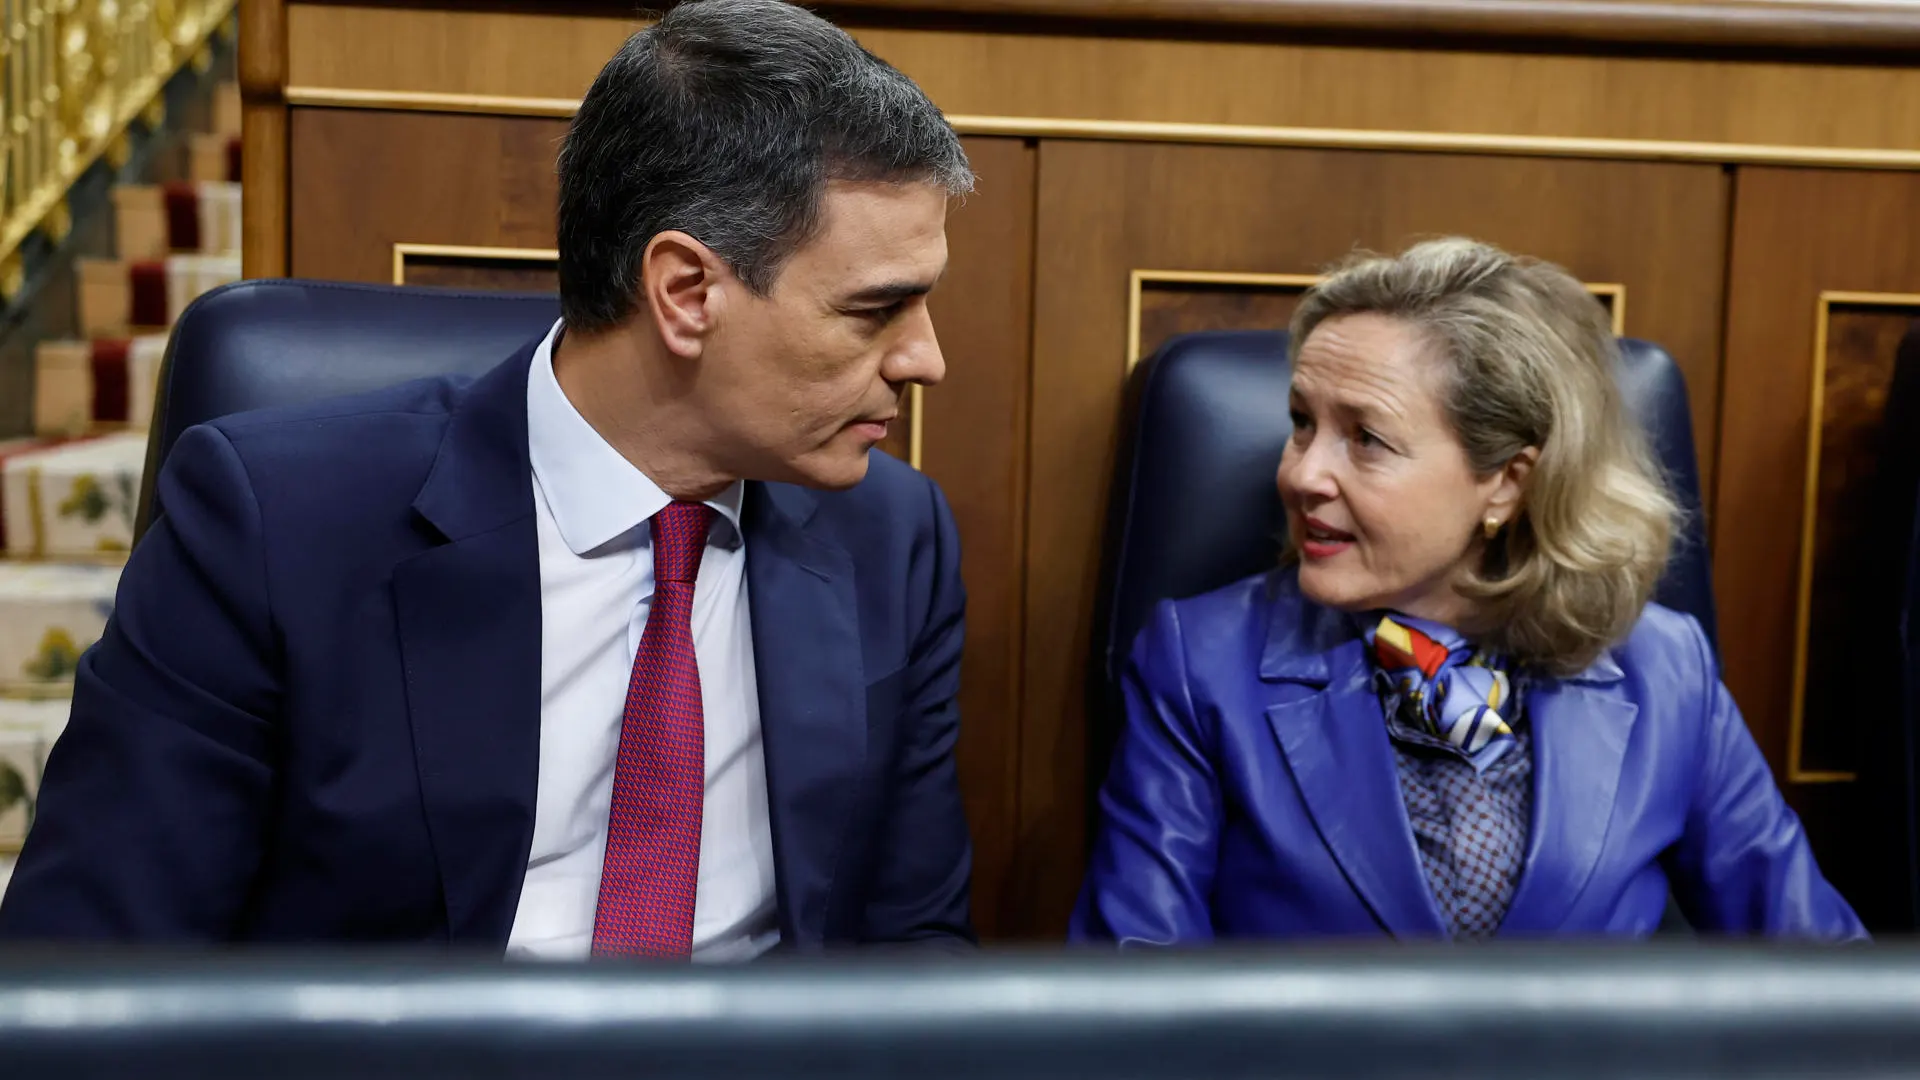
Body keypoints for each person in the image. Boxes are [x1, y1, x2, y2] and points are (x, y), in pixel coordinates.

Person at [0, 0, 977, 957]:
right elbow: (90, 973)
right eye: (874, 311)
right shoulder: (273, 527)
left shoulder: (893, 539)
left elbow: (912, 950)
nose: (925, 361)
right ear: (686, 293)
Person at [1071, 238, 1866, 943]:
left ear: (1506, 483)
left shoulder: (1666, 670)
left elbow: (1821, 976)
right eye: (1301, 422)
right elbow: (1133, 990)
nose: (1303, 473)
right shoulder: (1201, 662)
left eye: (1367, 439)